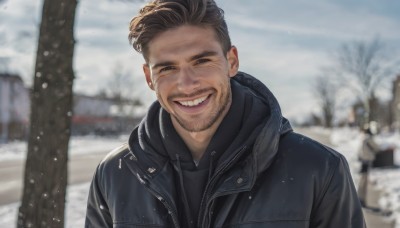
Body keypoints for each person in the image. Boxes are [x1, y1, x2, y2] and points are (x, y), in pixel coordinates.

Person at [85, 0, 365, 227]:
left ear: (231, 61)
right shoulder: (113, 176)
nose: (187, 84)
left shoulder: (319, 170)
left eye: (202, 60)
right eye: (167, 68)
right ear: (149, 77)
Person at [357, 126, 381, 207]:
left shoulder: (363, 139)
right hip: (367, 162)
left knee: (362, 180)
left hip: (363, 161)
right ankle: (361, 199)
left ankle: (360, 198)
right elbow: (377, 148)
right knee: (364, 181)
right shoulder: (369, 139)